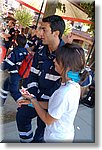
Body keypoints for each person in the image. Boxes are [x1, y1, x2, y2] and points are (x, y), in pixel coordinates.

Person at [19, 43, 88, 142]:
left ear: (66, 66)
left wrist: (33, 100)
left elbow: (48, 119)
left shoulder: (63, 93)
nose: (54, 60)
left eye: (57, 59)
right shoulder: (74, 86)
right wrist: (30, 103)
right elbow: (53, 105)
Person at [16, 15, 65, 143]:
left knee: (41, 135)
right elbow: (32, 75)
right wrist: (33, 97)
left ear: (56, 33)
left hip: (51, 105)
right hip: (36, 98)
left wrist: (37, 101)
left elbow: (71, 83)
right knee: (21, 115)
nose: (39, 33)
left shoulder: (67, 56)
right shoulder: (41, 51)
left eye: (44, 29)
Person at [0, 34, 28, 106]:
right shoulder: (25, 51)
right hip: (21, 74)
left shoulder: (15, 52)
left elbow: (7, 63)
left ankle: (24, 106)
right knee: (5, 86)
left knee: (14, 91)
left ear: (16, 42)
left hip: (15, 74)